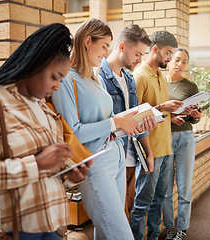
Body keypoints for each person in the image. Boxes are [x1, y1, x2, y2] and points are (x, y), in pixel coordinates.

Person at [0, 23, 91, 240]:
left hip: (52, 226)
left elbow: (42, 175)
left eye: (61, 80)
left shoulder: (43, 109)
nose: (57, 87)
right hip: (10, 230)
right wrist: (36, 164)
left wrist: (68, 176)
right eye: (55, 77)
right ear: (36, 64)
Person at [52, 18, 143, 240]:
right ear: (87, 40)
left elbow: (109, 120)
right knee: (121, 235)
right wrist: (116, 123)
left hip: (117, 155)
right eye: (103, 46)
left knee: (106, 233)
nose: (105, 54)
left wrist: (131, 121)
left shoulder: (95, 79)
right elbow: (74, 131)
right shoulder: (66, 80)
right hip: (95, 163)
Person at [98, 24, 157, 220]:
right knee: (114, 219)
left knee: (127, 215)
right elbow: (104, 123)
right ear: (122, 47)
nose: (140, 60)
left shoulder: (130, 79)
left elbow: (136, 118)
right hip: (112, 159)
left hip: (131, 158)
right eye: (138, 54)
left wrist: (148, 152)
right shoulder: (99, 78)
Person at [129, 31, 184, 240]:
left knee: (159, 200)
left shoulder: (161, 75)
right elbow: (133, 117)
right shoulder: (139, 76)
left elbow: (155, 114)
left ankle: (152, 237)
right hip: (149, 150)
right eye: (168, 53)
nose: (170, 58)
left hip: (166, 148)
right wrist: (162, 107)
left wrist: (171, 116)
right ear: (155, 49)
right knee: (143, 202)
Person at [162, 48, 202, 240]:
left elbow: (194, 118)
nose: (180, 64)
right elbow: (154, 111)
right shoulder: (160, 83)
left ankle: (182, 229)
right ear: (170, 60)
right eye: (177, 60)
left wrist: (196, 117)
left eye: (184, 61)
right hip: (165, 138)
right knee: (166, 188)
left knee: (184, 187)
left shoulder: (191, 87)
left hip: (186, 137)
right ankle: (170, 227)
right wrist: (169, 117)